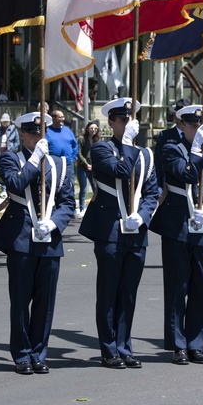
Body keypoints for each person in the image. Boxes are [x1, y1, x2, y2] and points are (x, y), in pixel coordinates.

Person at [0, 111, 76, 375]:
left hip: (49, 239)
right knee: (20, 299)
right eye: (32, 133)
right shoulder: (10, 158)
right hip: (21, 238)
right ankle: (22, 354)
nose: (38, 137)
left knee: (44, 302)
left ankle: (39, 352)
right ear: (23, 134)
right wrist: (35, 159)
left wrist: (55, 222)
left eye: (42, 133)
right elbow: (15, 184)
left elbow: (67, 202)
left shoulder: (60, 164)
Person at [80, 99, 159, 369]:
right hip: (110, 229)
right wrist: (126, 142)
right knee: (108, 291)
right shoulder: (102, 148)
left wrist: (144, 215)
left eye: (130, 120)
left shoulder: (146, 154)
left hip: (136, 232)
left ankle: (125, 346)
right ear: (111, 122)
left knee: (128, 293)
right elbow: (121, 171)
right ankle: (108, 348)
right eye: (121, 120)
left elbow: (152, 192)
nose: (126, 124)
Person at [150, 104, 203, 365]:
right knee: (177, 288)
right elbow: (188, 174)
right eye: (192, 125)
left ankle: (196, 343)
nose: (197, 129)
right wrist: (196, 150)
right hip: (177, 227)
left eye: (201, 125)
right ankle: (178, 344)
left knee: (199, 289)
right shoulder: (173, 149)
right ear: (181, 126)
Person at [153, 98, 189, 189]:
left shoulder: (194, 136)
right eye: (179, 115)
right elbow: (158, 162)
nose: (181, 118)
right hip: (169, 185)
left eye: (185, 115)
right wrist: (158, 186)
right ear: (174, 116)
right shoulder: (165, 135)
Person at [76, 121, 101, 216]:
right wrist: (86, 164)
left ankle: (96, 208)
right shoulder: (82, 139)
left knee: (96, 188)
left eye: (95, 128)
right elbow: (79, 153)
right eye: (91, 128)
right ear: (87, 129)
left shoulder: (97, 139)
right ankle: (82, 209)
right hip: (82, 167)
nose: (93, 130)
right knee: (83, 188)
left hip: (93, 167)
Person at [46, 109, 78, 173]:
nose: (63, 119)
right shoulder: (46, 131)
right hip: (53, 165)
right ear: (53, 118)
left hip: (68, 164)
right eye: (60, 117)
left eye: (63, 117)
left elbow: (75, 145)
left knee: (69, 183)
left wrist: (72, 158)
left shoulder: (67, 130)